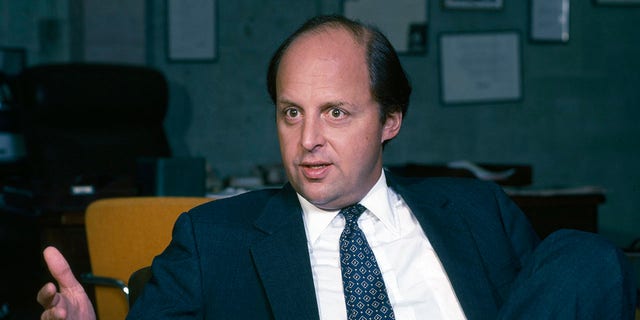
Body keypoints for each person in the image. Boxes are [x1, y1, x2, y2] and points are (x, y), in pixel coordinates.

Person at [38, 15, 636, 320]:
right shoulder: (213, 238)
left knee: (583, 254)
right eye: (291, 112)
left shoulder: (477, 211)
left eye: (337, 113)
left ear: (390, 121)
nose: (308, 140)